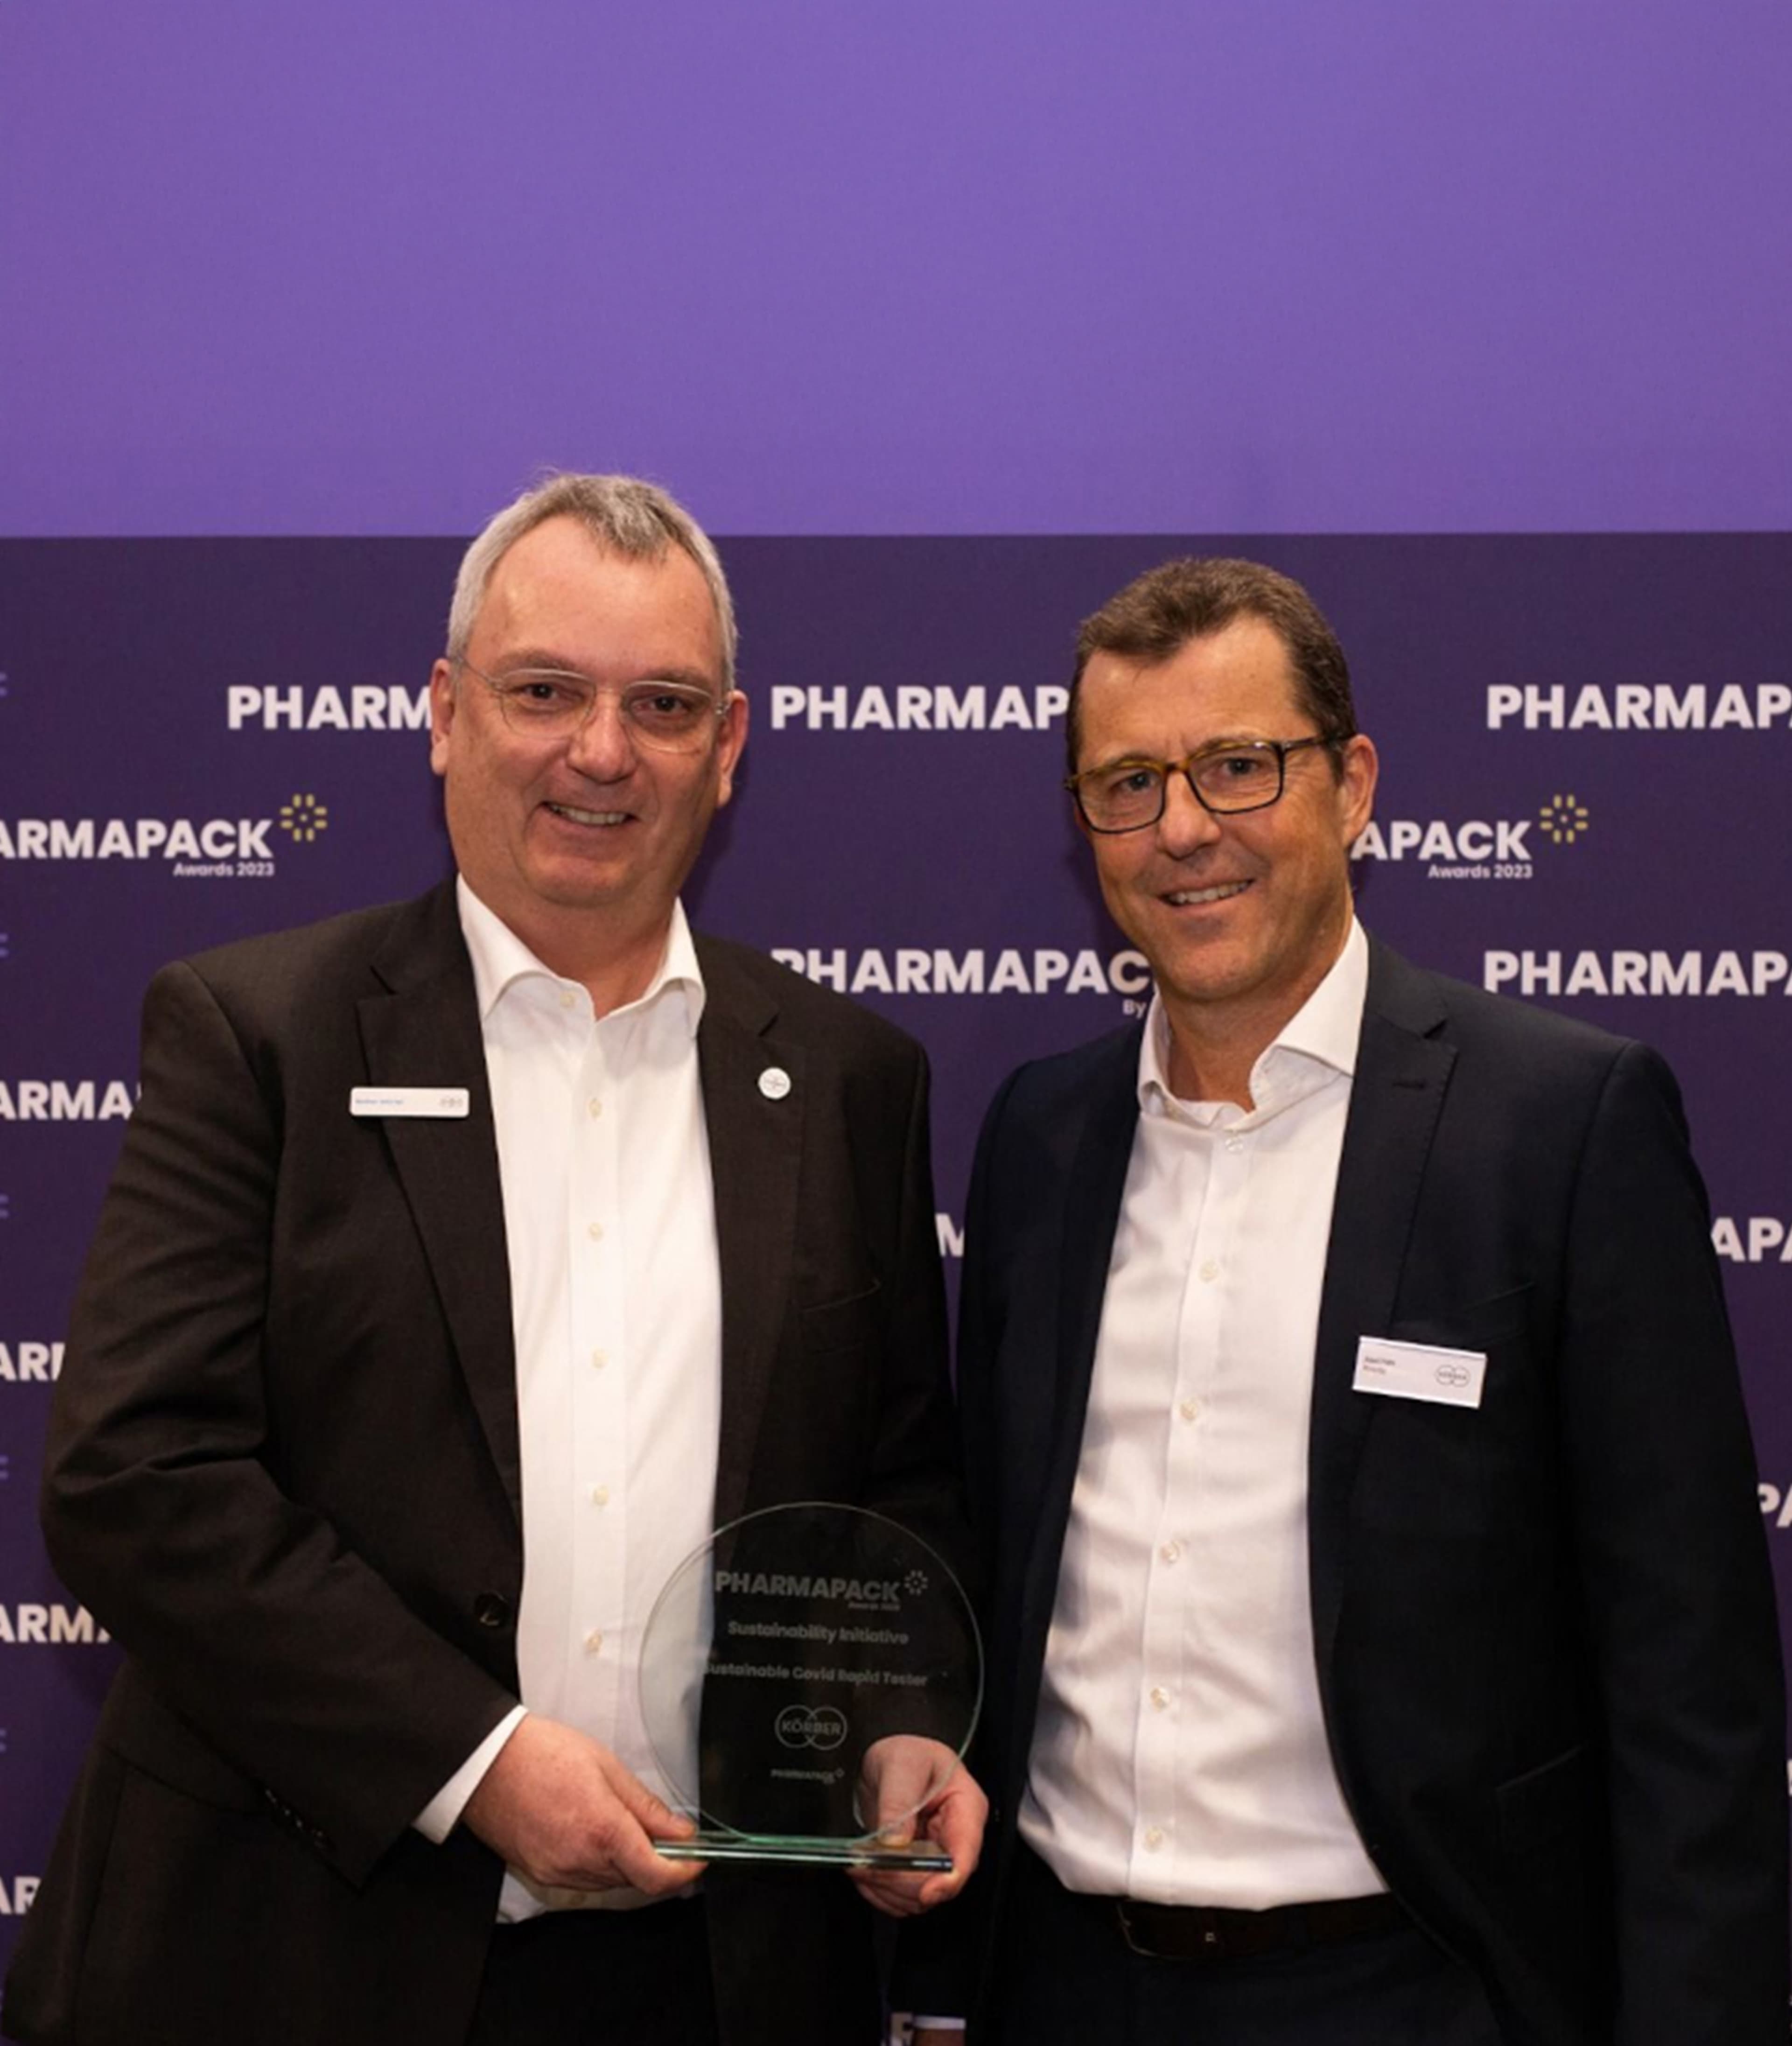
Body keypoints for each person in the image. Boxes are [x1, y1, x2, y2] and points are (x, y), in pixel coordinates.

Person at [2, 474, 984, 2046]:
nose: (603, 750)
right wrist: (474, 1763)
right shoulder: (261, 1036)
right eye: (545, 692)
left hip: (717, 1978)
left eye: (664, 704)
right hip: (306, 1952)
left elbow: (891, 1487)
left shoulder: (850, 1079)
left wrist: (892, 1722)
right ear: (447, 714)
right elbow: (134, 1476)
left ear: (729, 747)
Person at [915, 558, 1786, 2045]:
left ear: (1354, 786)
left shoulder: (1561, 1127)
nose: (1183, 828)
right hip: (1062, 1985)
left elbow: (1690, 1683)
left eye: (1238, 766)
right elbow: (993, 1573)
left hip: (1414, 1991)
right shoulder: (1040, 1138)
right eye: (1129, 784)